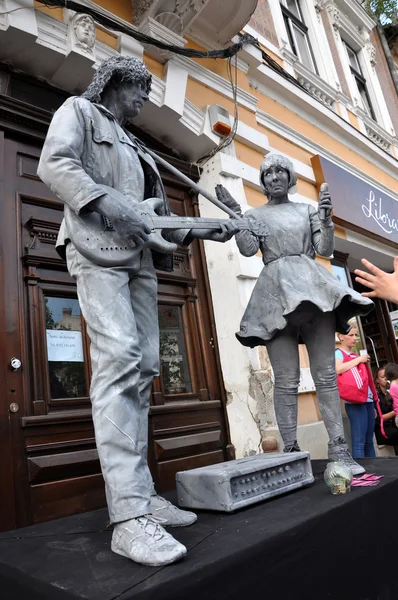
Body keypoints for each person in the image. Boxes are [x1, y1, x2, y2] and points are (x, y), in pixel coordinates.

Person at [37, 56, 238, 567]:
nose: (145, 100)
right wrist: (109, 203)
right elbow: (56, 164)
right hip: (95, 249)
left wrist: (203, 229)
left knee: (146, 364)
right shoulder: (78, 111)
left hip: (141, 258)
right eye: (140, 89)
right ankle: (127, 517)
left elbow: (156, 220)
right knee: (120, 357)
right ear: (117, 83)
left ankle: (144, 493)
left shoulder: (137, 145)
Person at [215, 152, 374, 474]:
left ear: (290, 178)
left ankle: (340, 451)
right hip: (274, 293)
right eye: (268, 173)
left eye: (280, 171)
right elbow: (247, 249)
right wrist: (236, 215)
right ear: (263, 181)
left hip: (314, 289)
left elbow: (325, 249)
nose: (274, 177)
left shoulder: (306, 210)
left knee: (326, 376)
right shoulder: (256, 213)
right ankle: (290, 451)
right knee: (285, 379)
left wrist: (326, 219)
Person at [335, 322, 377, 458]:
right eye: (351, 335)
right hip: (354, 402)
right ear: (341, 336)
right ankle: (362, 475)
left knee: (369, 441)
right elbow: (338, 369)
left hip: (367, 399)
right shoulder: (338, 353)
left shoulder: (355, 355)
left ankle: (374, 470)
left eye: (355, 335)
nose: (354, 338)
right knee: (359, 442)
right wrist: (359, 360)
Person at [374, 365, 398, 447]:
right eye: (382, 377)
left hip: (394, 426)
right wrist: (395, 411)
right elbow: (378, 419)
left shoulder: (392, 391)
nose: (385, 379)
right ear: (377, 380)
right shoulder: (376, 397)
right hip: (383, 430)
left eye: (387, 376)